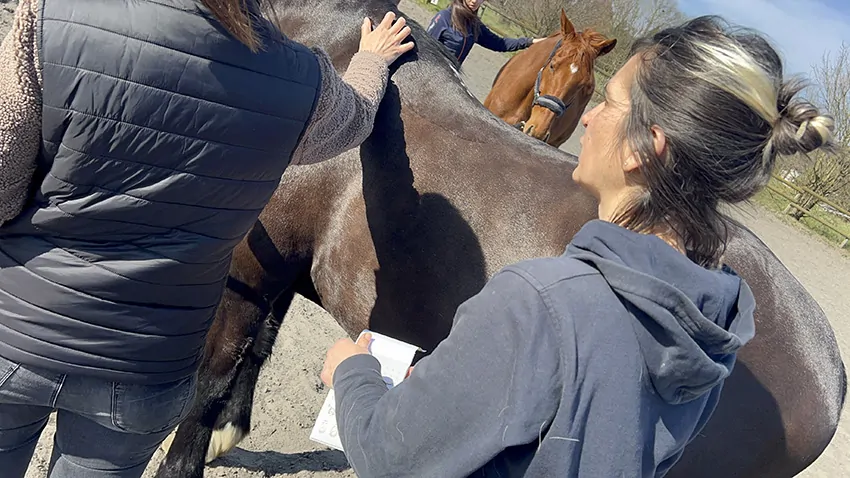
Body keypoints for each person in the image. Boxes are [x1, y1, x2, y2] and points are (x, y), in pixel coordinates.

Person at [321, 15, 835, 478]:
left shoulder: (538, 302)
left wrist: (352, 372)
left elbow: (389, 454)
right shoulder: (718, 323)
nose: (587, 118)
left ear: (644, 147)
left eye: (609, 103)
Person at [0, 0, 413, 476]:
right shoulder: (303, 81)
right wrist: (372, 60)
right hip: (146, 367)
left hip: (15, 329)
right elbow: (354, 119)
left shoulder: (57, 14)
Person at [426, 0, 546, 65]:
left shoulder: (475, 26)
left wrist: (530, 41)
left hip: (452, 77)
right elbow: (425, 48)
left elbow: (500, 44)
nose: (474, 1)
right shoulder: (444, 17)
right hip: (435, 71)